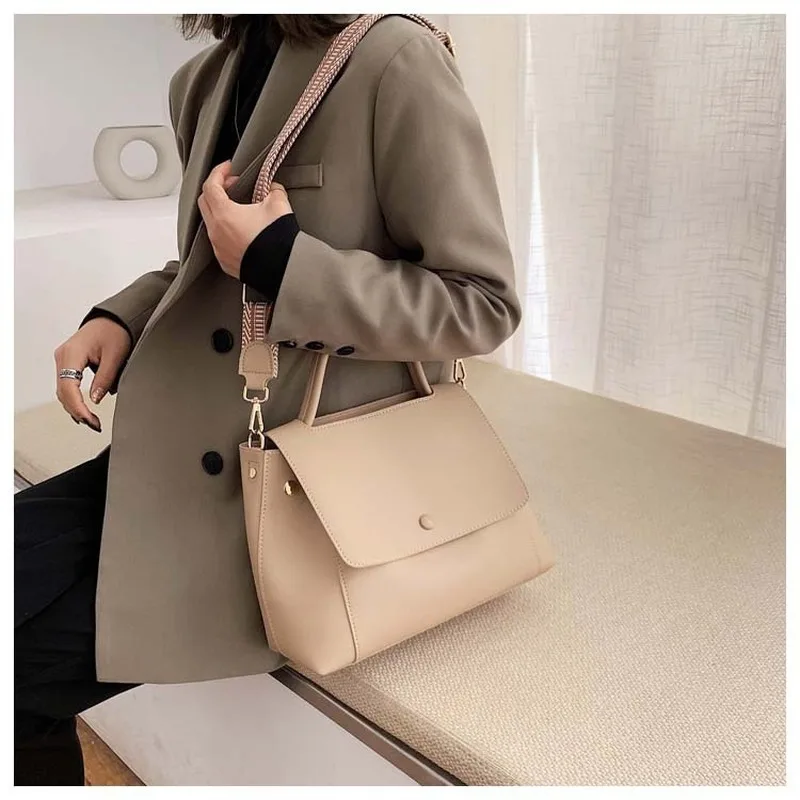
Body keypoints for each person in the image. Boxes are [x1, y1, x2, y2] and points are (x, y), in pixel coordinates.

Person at [14, 13, 521, 785]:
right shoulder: (203, 81)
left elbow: (480, 302)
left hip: (298, 490)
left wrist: (284, 261)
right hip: (176, 451)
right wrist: (121, 315)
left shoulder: (394, 61)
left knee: (21, 678)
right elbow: (208, 263)